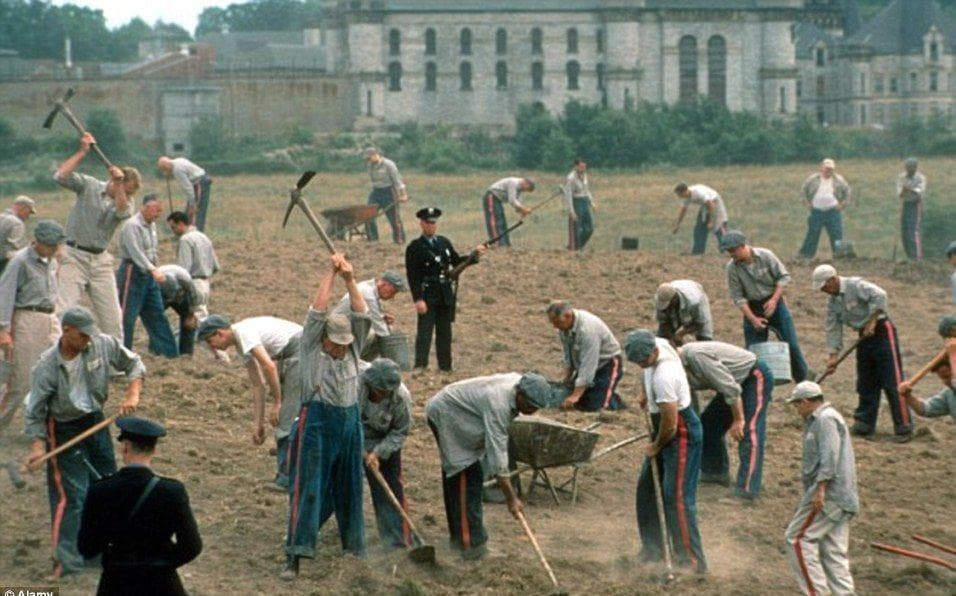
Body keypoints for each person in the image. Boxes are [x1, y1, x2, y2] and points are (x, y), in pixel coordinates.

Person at [22, 306, 145, 578]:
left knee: (105, 483)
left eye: (90, 335)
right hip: (62, 427)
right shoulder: (46, 366)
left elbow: (134, 363)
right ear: (66, 331)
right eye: (83, 335)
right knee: (72, 495)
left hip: (94, 419)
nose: (88, 340)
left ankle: (97, 552)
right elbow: (35, 410)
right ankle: (65, 560)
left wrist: (132, 394)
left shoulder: (101, 344)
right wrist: (38, 447)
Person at [282, 254, 371, 579]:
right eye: (335, 344)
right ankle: (296, 554)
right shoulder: (310, 347)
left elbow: (361, 314)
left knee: (350, 487)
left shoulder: (353, 347)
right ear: (322, 338)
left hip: (349, 423)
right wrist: (330, 274)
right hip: (316, 423)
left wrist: (350, 278)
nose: (341, 349)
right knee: (309, 487)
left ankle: (355, 550)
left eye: (345, 344)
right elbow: (317, 311)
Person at [425, 372, 552, 560]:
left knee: (464, 478)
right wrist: (511, 498)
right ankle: (470, 546)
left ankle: (460, 540)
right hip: (449, 414)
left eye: (536, 408)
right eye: (530, 406)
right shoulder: (499, 404)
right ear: (519, 394)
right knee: (465, 476)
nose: (532, 411)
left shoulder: (519, 386)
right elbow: (498, 454)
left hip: (464, 415)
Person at [78, 417, 202, 596]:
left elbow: (87, 548)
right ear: (154, 450)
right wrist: (160, 564)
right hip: (162, 584)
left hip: (116, 583)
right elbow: (192, 546)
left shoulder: (100, 490)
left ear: (125, 447)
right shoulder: (172, 491)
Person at [625, 329, 707, 574]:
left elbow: (670, 424)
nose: (641, 365)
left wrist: (656, 446)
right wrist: (645, 392)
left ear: (654, 351)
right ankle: (653, 550)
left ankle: (691, 562)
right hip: (662, 425)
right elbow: (646, 370)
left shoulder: (665, 376)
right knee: (647, 491)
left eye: (644, 360)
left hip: (680, 432)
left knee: (676, 498)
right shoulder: (657, 343)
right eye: (637, 362)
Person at [196, 314, 302, 489]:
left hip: (300, 349)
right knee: (288, 415)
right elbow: (257, 385)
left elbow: (269, 366)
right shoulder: (241, 342)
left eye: (210, 341)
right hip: (288, 354)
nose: (211, 347)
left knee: (286, 418)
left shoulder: (244, 333)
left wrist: (278, 402)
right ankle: (289, 464)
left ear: (220, 333)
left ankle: (286, 479)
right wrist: (258, 424)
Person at [812, 264, 912, 441]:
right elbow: (833, 328)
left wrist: (872, 321)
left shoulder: (855, 285)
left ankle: (903, 425)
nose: (823, 291)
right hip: (863, 336)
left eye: (824, 286)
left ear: (833, 280)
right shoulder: (833, 303)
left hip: (882, 330)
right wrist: (833, 357)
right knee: (866, 379)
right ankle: (864, 423)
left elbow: (880, 295)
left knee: (892, 379)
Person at [54, 132, 139, 340]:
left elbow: (122, 211)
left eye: (130, 193)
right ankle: (57, 352)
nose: (128, 196)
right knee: (63, 311)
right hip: (73, 256)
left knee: (113, 318)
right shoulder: (89, 185)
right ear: (111, 181)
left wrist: (120, 186)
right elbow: (60, 176)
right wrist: (82, 151)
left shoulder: (126, 201)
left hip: (101, 260)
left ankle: (115, 356)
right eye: (127, 190)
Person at [784, 381, 857, 596]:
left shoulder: (825, 419)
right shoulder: (827, 418)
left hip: (829, 495)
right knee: (833, 552)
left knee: (796, 539)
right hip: (843, 496)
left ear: (806, 401)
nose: (796, 409)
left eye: (797, 404)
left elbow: (830, 455)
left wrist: (821, 488)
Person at [680, 341, 774, 500]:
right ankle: (715, 473)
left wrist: (738, 420)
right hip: (733, 384)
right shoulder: (673, 367)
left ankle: (747, 490)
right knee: (707, 425)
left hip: (753, 376)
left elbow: (730, 389)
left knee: (749, 431)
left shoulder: (696, 356)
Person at [0, 221, 66, 434]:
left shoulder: (52, 261)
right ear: (37, 242)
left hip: (50, 318)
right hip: (26, 319)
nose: (55, 249)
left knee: (57, 369)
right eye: (51, 245)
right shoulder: (19, 261)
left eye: (57, 245)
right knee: (20, 381)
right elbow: (5, 295)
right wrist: (3, 329)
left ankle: (44, 427)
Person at [405, 207, 485, 372]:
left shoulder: (444, 242)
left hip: (444, 292)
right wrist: (418, 299)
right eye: (428, 222)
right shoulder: (415, 247)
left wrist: (474, 255)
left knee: (445, 332)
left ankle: (445, 366)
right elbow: (413, 275)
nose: (431, 226)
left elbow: (456, 261)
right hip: (428, 292)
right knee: (425, 331)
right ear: (421, 224)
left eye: (433, 223)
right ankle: (420, 365)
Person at [723, 230, 809, 383]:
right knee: (752, 353)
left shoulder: (766, 256)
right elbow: (738, 298)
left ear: (742, 246)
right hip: (752, 308)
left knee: (792, 346)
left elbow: (783, 277)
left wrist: (774, 300)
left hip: (775, 303)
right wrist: (753, 319)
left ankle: (805, 385)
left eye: (733, 250)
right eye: (728, 251)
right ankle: (756, 387)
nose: (731, 254)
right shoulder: (732, 268)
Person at [359, 358, 414, 549]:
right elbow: (348, 418)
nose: (382, 395)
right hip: (354, 436)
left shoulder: (401, 398)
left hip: (385, 440)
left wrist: (379, 453)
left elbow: (400, 431)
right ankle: (352, 536)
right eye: (379, 391)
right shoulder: (356, 387)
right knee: (345, 484)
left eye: (386, 392)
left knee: (389, 487)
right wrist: (359, 446)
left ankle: (396, 539)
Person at [116, 194, 178, 357]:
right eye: (157, 210)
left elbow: (152, 250)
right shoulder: (132, 226)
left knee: (156, 313)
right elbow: (136, 253)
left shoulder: (152, 226)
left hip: (149, 275)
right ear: (146, 207)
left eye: (160, 211)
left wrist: (154, 267)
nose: (158, 214)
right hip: (132, 273)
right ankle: (123, 354)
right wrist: (153, 269)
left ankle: (169, 354)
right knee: (127, 317)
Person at [546, 301, 625, 411]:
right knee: (578, 400)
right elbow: (568, 355)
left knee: (595, 407)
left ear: (568, 316)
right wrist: (566, 379)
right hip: (584, 363)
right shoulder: (563, 327)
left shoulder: (587, 330)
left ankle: (612, 398)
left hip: (607, 363)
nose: (555, 326)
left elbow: (589, 364)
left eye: (557, 322)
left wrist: (575, 396)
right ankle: (602, 391)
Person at [333, 271, 406, 361]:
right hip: (338, 332)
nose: (393, 296)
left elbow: (371, 316)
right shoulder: (368, 293)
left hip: (346, 328)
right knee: (376, 336)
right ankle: (358, 362)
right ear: (385, 285)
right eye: (393, 292)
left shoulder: (368, 288)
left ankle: (359, 362)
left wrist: (383, 318)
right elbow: (381, 329)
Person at [167, 210, 220, 320]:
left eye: (173, 227)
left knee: (194, 318)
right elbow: (215, 266)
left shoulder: (185, 240)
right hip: (205, 284)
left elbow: (183, 270)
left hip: (193, 284)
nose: (173, 231)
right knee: (201, 314)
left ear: (181, 224)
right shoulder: (203, 237)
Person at [798, 158, 851, 259]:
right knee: (812, 234)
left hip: (833, 211)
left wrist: (842, 205)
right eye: (827, 168)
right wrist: (806, 203)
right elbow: (803, 191)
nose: (829, 171)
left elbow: (847, 192)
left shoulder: (839, 180)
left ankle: (842, 257)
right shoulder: (812, 179)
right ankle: (805, 256)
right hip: (816, 211)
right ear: (821, 168)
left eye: (831, 169)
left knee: (837, 234)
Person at [362, 147, 407, 244]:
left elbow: (398, 180)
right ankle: (373, 240)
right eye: (367, 159)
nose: (368, 160)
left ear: (376, 155)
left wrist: (403, 194)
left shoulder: (389, 164)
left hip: (388, 191)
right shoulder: (369, 165)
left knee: (394, 218)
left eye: (369, 158)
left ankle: (399, 240)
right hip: (376, 191)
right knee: (368, 215)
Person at [156, 264, 203, 356]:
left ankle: (186, 353)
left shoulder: (185, 280)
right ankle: (161, 352)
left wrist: (191, 315)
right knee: (157, 321)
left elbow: (193, 296)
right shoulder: (155, 281)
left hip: (181, 295)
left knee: (189, 324)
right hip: (161, 295)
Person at [672, 183, 729, 255]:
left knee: (719, 227)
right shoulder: (686, 197)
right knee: (699, 228)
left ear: (684, 191)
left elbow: (710, 204)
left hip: (715, 202)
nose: (679, 197)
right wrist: (678, 225)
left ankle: (726, 251)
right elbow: (683, 210)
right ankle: (698, 252)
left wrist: (711, 221)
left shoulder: (698, 193)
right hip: (705, 205)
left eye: (679, 194)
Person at [158, 155, 212, 231]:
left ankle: (196, 233)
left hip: (200, 183)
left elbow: (188, 188)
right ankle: (186, 231)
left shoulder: (177, 170)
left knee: (196, 211)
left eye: (164, 169)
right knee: (189, 211)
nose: (165, 172)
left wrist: (192, 204)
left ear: (166, 166)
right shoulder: (178, 160)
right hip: (201, 180)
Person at [654, 280, 714, 345]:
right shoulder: (660, 298)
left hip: (696, 292)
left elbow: (700, 323)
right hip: (680, 291)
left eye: (668, 304)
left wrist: (681, 333)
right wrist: (670, 337)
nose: (666, 307)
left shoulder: (694, 302)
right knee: (662, 338)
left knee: (704, 339)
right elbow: (663, 323)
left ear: (674, 299)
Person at [901, 355, 954, 424]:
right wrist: (908, 395)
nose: (946, 382)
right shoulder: (948, 394)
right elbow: (924, 409)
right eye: (943, 378)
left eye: (947, 376)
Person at [482, 176, 534, 247]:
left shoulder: (519, 189)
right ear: (526, 183)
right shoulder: (513, 182)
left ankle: (504, 244)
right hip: (491, 197)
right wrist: (523, 209)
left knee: (501, 222)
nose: (525, 191)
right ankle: (497, 243)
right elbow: (512, 200)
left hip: (498, 200)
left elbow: (517, 202)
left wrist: (522, 211)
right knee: (494, 221)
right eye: (526, 189)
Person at [896, 157, 926, 261]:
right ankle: (909, 256)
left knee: (912, 231)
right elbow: (900, 193)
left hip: (915, 205)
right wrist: (906, 191)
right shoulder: (902, 177)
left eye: (912, 167)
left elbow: (919, 192)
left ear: (916, 167)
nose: (909, 169)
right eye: (907, 166)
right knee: (904, 232)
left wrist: (908, 189)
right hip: (905, 204)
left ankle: (916, 257)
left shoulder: (920, 178)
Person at [565, 158, 595, 251]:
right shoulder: (571, 178)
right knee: (576, 228)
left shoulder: (584, 175)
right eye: (581, 167)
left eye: (584, 167)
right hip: (576, 202)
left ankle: (577, 246)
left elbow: (586, 189)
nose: (583, 169)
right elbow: (569, 195)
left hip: (584, 201)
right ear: (576, 166)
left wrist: (591, 202)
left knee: (589, 228)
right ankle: (574, 248)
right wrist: (572, 211)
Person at [0, 195, 36, 273]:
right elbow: (16, 248)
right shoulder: (17, 223)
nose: (28, 216)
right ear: (24, 208)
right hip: (4, 263)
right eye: (29, 212)